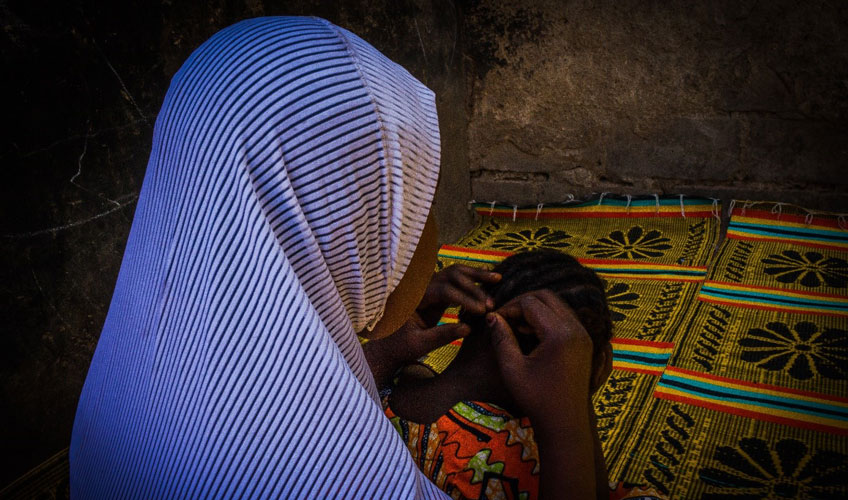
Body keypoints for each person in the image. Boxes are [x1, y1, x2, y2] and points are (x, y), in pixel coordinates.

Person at [71, 16, 467, 498]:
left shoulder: (129, 378)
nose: (432, 233)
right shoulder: (323, 477)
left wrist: (381, 355)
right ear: (344, 212)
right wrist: (564, 416)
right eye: (419, 200)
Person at [381, 250, 614, 499]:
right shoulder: (519, 467)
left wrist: (387, 349)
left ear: (469, 308)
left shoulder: (389, 386)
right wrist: (576, 408)